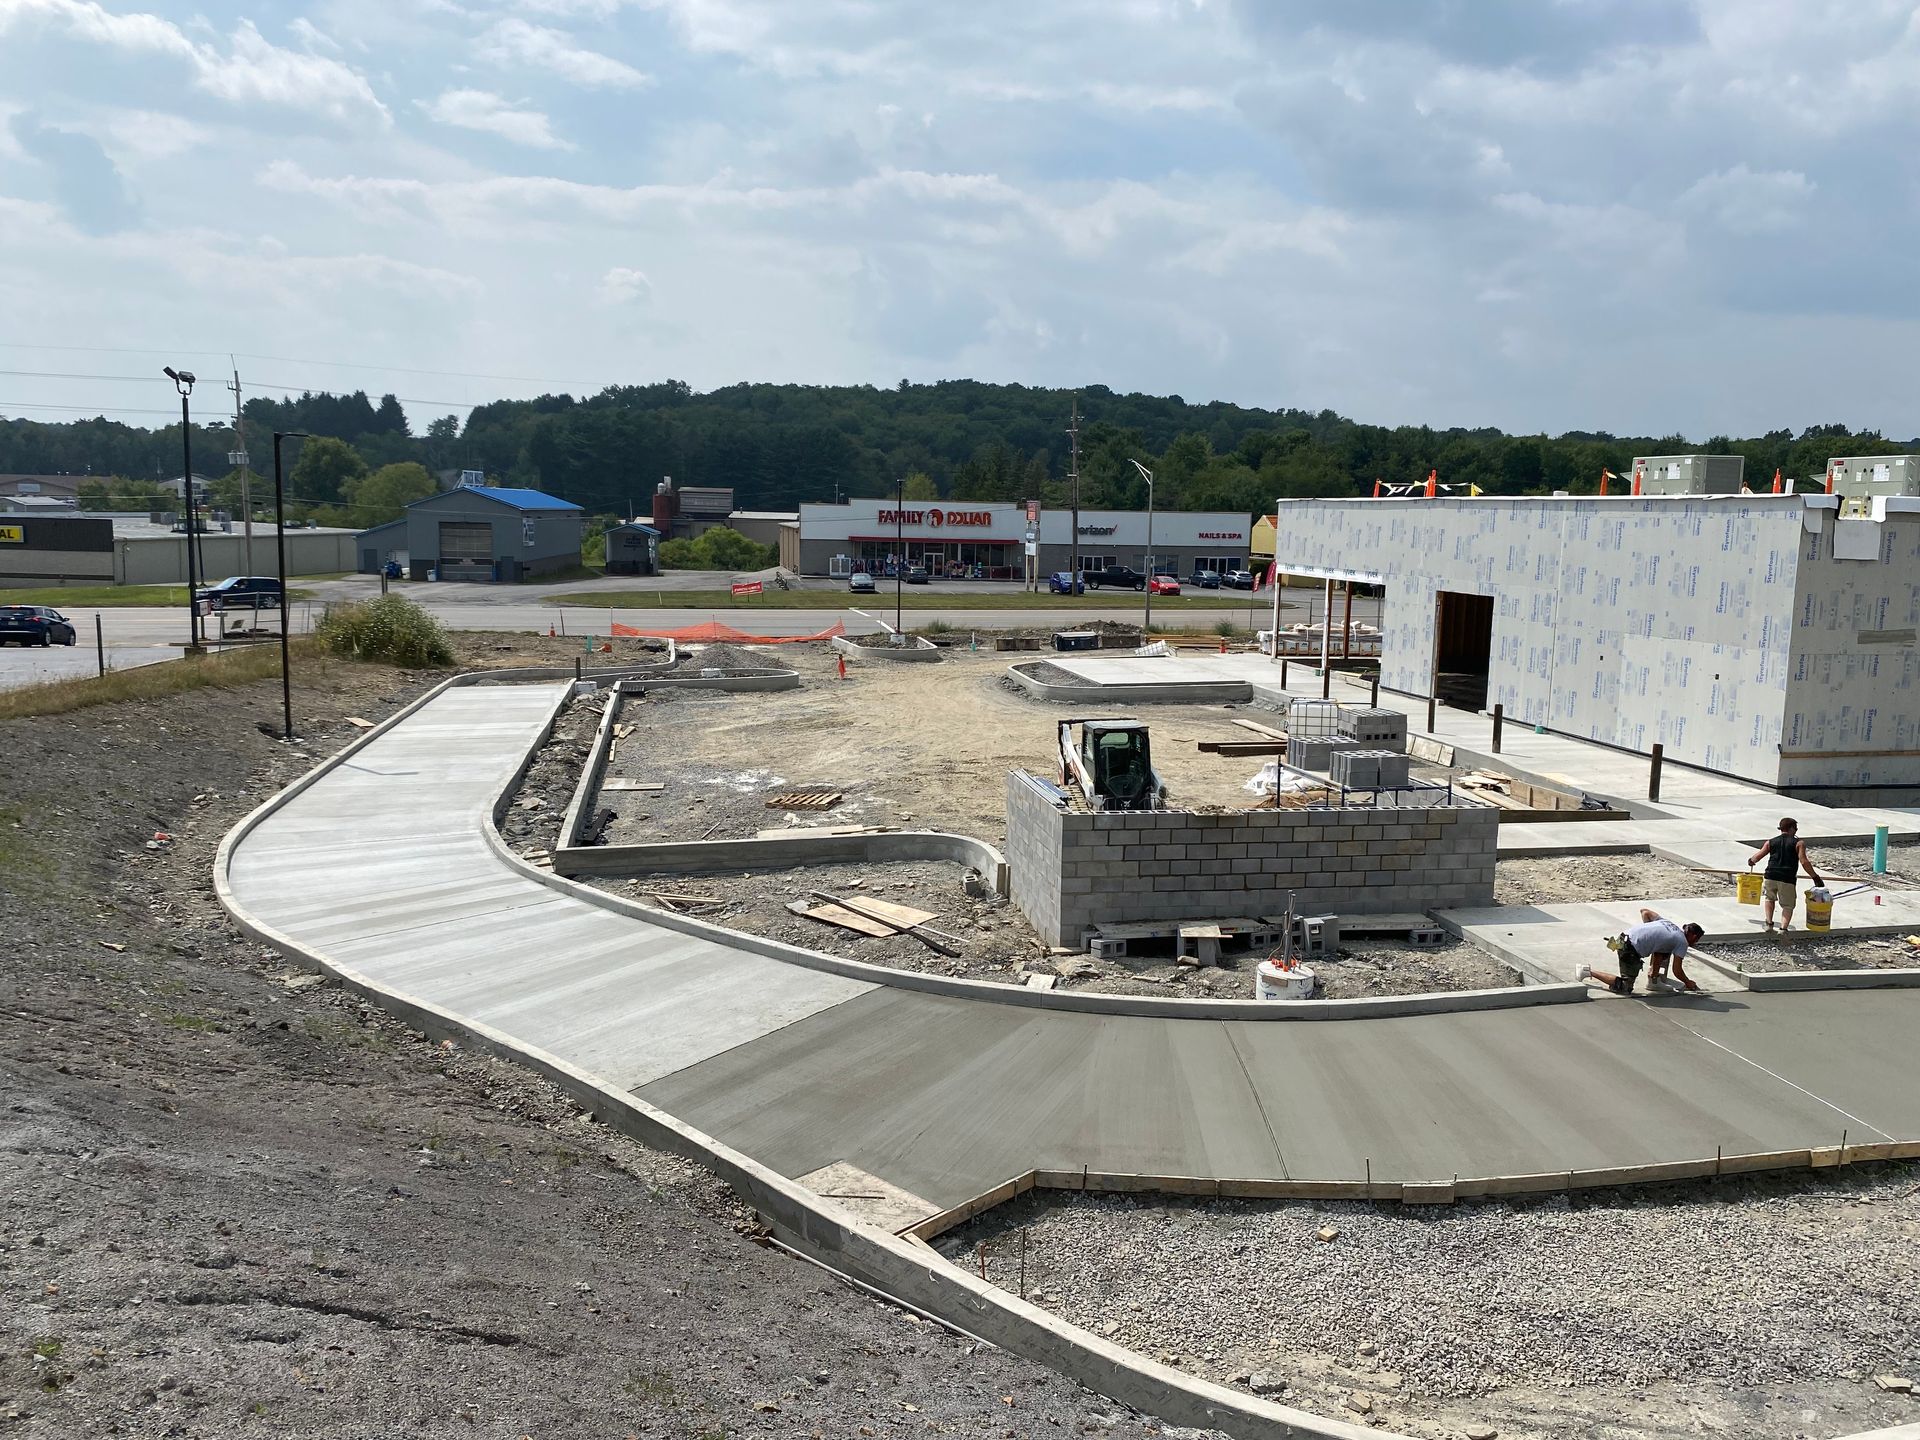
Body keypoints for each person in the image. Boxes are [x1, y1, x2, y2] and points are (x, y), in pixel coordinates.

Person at [1579, 910, 1706, 995]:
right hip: (1630, 949)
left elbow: (1645, 912)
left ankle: (1653, 982)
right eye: (1696, 940)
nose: (1694, 943)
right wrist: (1688, 982)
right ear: (1694, 936)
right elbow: (1677, 970)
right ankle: (1586, 971)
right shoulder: (1682, 942)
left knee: (1662, 951)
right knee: (1625, 987)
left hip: (1623, 937)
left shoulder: (1668, 923)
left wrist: (1647, 933)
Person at [1748, 818, 1824, 933]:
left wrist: (1751, 861)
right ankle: (1783, 929)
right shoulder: (1799, 843)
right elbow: (1804, 862)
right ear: (1791, 828)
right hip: (1787, 878)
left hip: (1770, 875)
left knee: (1769, 898)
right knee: (1788, 905)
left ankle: (1769, 924)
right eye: (1796, 828)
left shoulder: (1770, 842)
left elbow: (1757, 856)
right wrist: (1815, 877)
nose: (1796, 830)